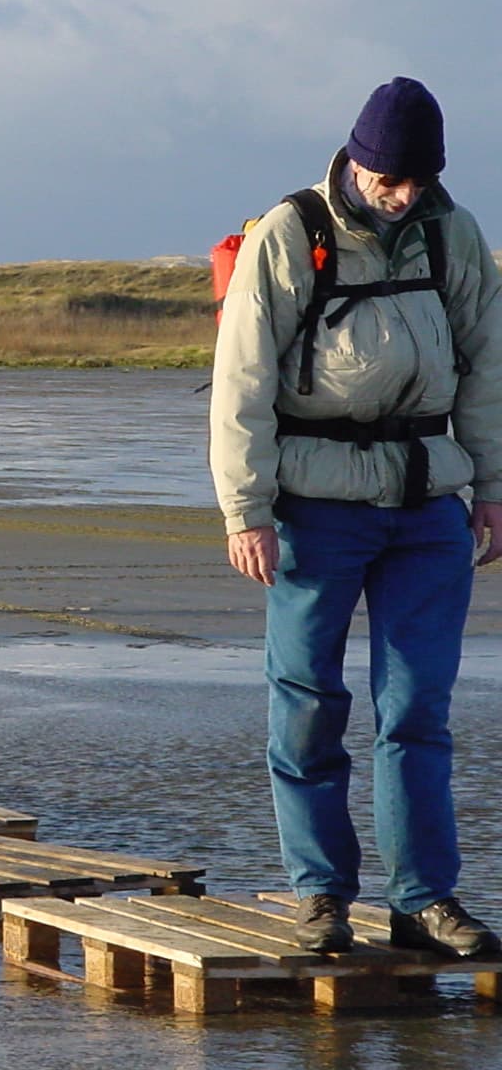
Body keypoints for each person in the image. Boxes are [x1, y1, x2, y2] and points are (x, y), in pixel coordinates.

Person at [211, 76, 502, 958]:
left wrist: (491, 490)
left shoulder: (452, 232)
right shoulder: (291, 234)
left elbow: (487, 365)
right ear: (357, 159)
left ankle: (424, 901)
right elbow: (243, 383)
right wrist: (245, 510)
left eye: (418, 179)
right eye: (390, 178)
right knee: (307, 705)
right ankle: (322, 898)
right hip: (312, 506)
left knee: (417, 710)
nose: (403, 194)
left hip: (426, 506)